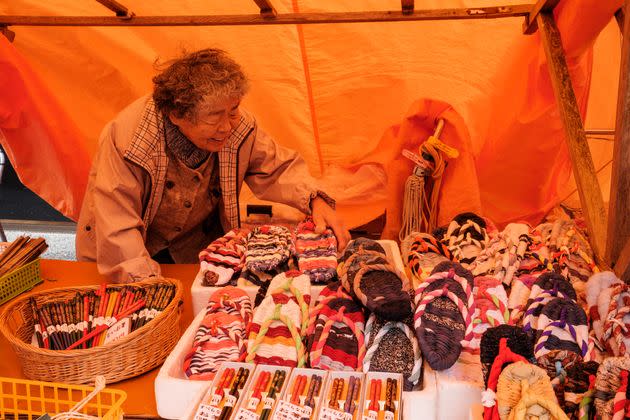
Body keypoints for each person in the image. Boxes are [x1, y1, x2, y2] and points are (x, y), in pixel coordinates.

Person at [76, 48, 350, 283]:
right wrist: (148, 284)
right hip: (130, 253)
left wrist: (316, 200)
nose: (228, 125)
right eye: (214, 117)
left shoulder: (238, 128)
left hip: (194, 252)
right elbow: (118, 225)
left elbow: (278, 168)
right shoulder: (129, 140)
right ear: (176, 115)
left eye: (233, 110)